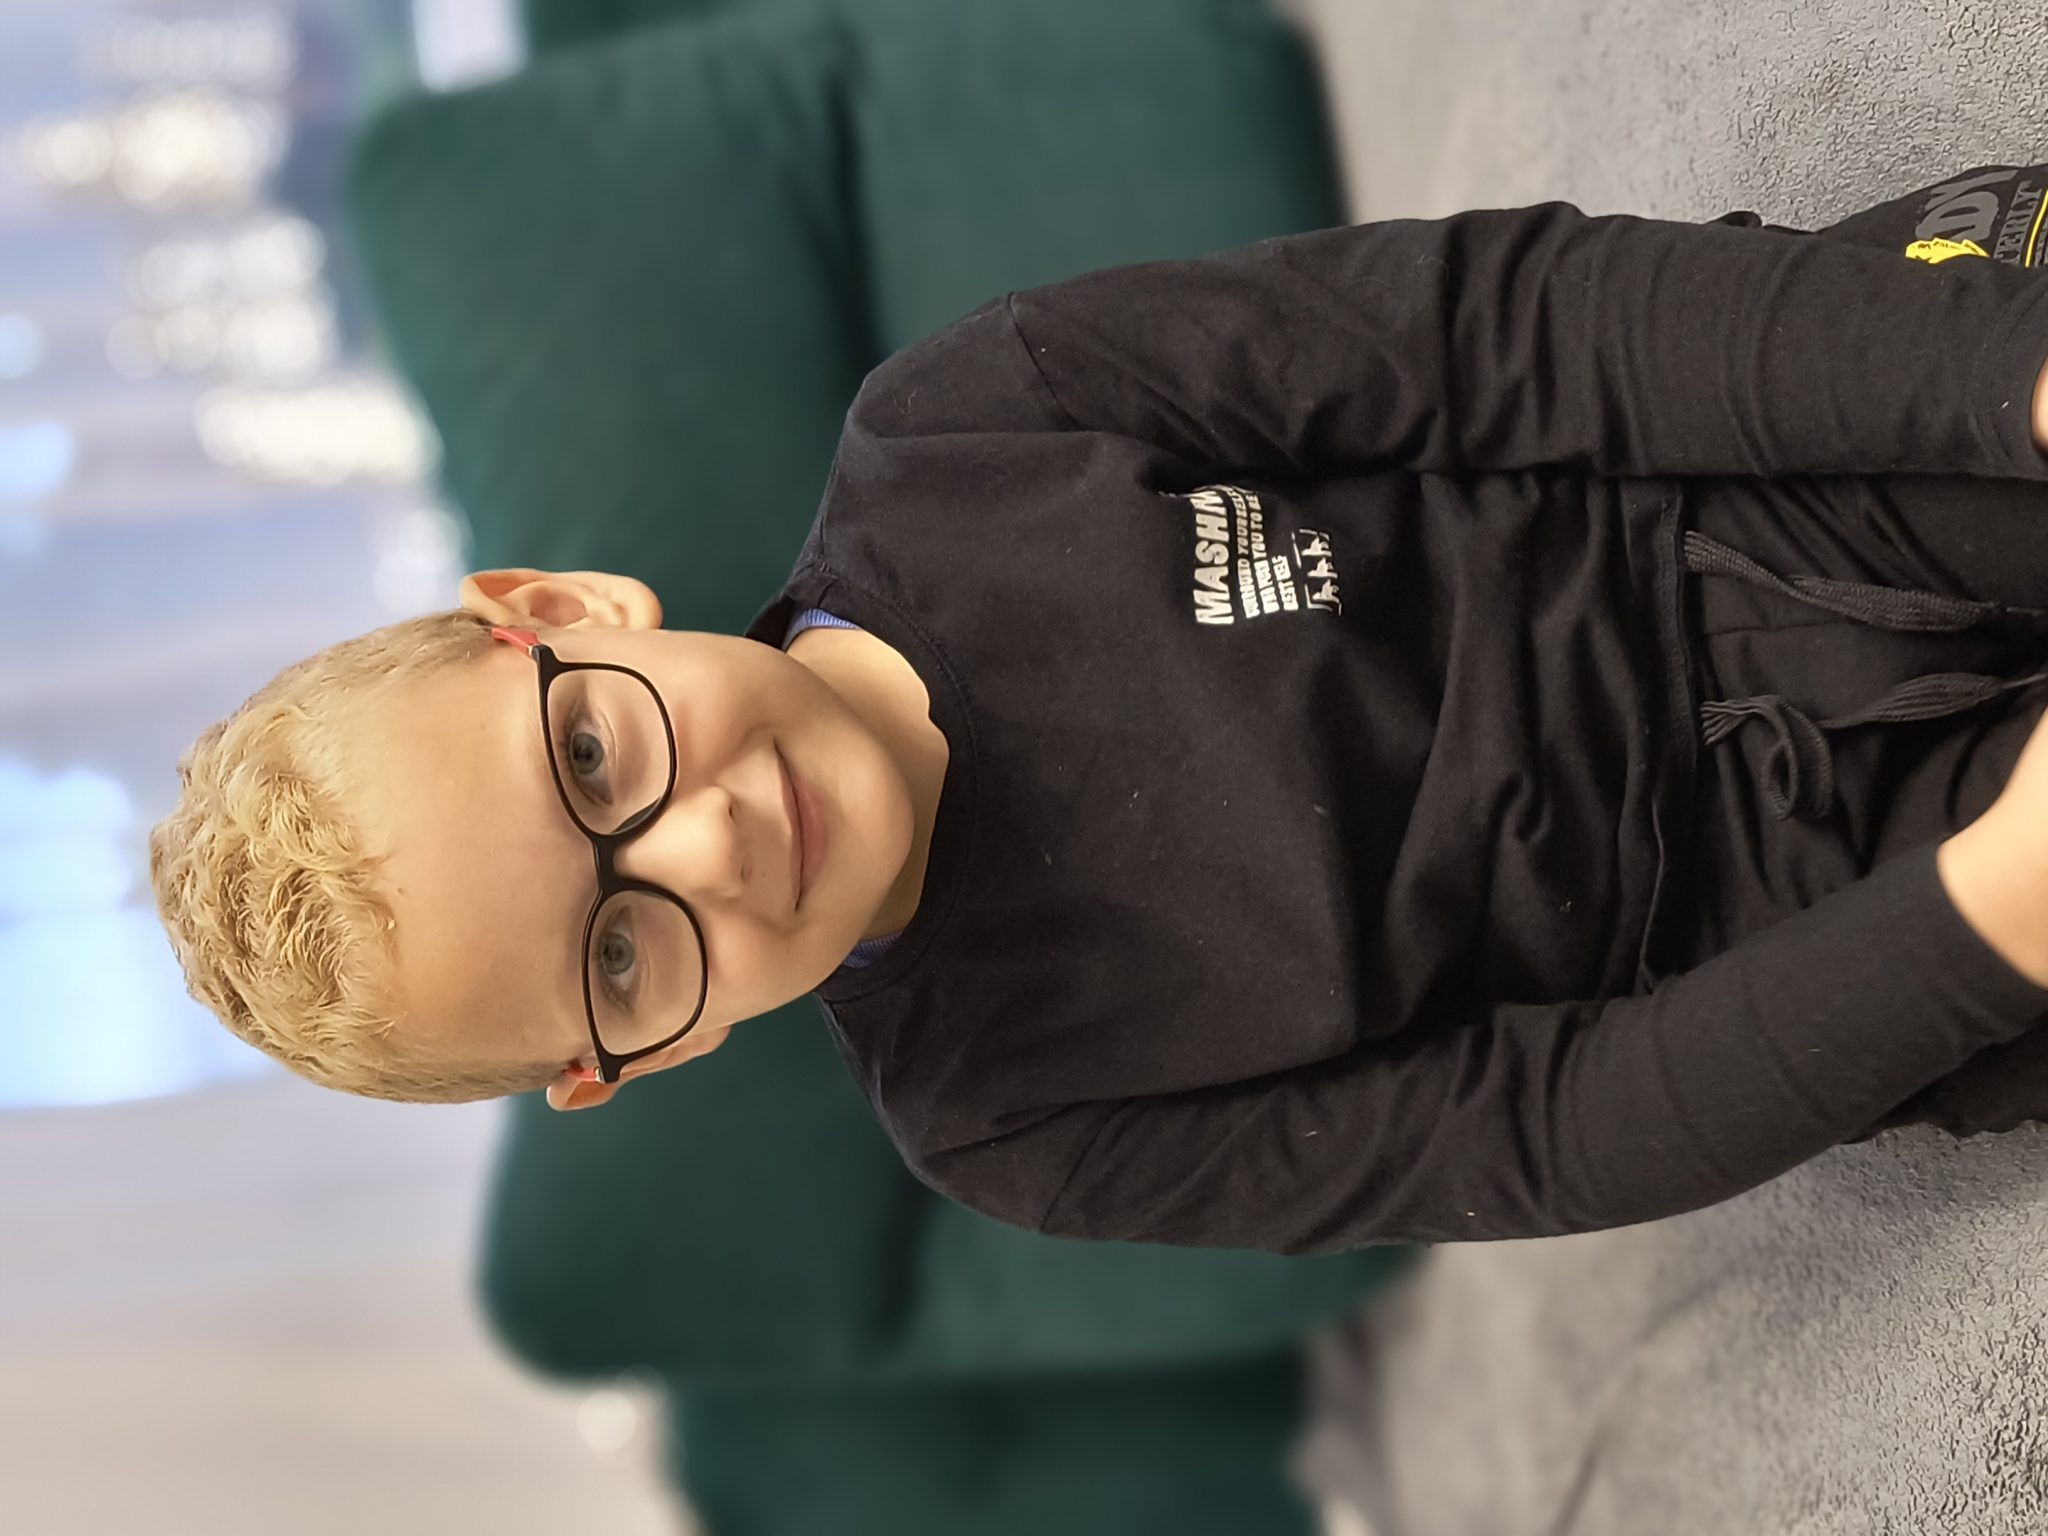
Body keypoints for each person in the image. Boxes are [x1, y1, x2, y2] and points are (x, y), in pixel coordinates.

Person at [152, 161, 2048, 1253]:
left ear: (563, 617)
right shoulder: (1015, 1125)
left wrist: (2004, 390)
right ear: (647, 1056)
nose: (708, 842)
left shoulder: (974, 423)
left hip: (1729, 499)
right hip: (1789, 918)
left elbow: (1527, 330)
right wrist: (1987, 911)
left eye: (592, 757)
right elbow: (1547, 1132)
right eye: (627, 953)